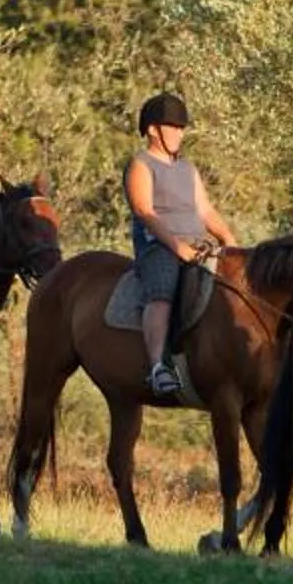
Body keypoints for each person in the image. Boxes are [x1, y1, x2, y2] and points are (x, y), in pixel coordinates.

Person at [125, 91, 239, 399]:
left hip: (197, 244)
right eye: (172, 126)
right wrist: (178, 248)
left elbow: (205, 210)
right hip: (158, 247)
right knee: (162, 291)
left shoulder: (188, 169)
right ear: (152, 129)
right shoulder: (141, 165)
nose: (179, 133)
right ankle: (158, 367)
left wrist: (229, 241)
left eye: (182, 127)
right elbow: (144, 212)